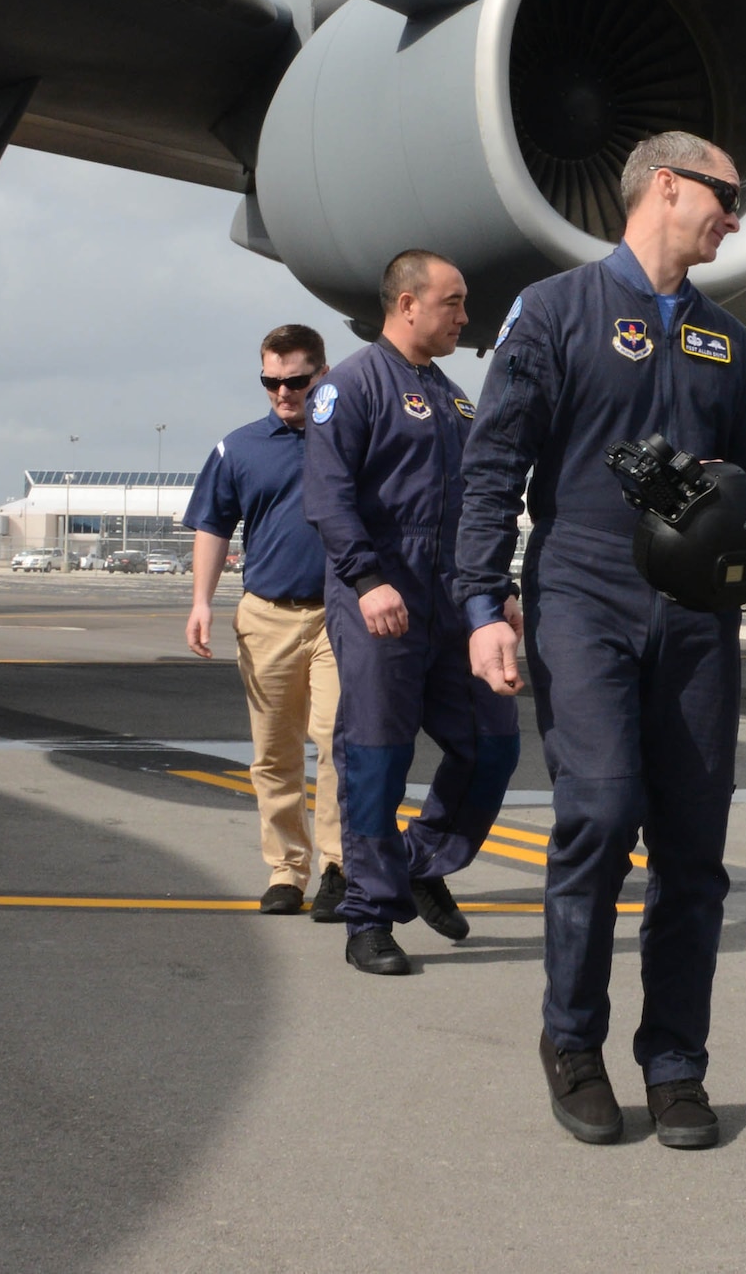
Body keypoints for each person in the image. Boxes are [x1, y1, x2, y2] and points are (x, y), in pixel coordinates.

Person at [456, 132, 746, 1151]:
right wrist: (478, 605)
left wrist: (737, 505)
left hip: (694, 613)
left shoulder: (728, 342)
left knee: (693, 848)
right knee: (596, 813)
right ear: (668, 186)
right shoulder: (553, 312)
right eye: (725, 197)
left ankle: (675, 1062)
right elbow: (492, 462)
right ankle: (571, 1041)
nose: (734, 217)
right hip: (582, 590)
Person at [303, 250, 521, 977]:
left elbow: (479, 506)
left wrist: (495, 588)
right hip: (380, 598)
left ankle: (422, 859)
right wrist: (367, 579)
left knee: (493, 741)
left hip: (453, 602)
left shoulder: (457, 400)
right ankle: (369, 916)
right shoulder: (352, 387)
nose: (464, 316)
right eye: (452, 302)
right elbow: (329, 497)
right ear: (406, 304)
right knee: (376, 757)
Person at [185, 324, 345, 920]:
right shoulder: (239, 448)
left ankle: (337, 866)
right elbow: (212, 525)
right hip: (267, 617)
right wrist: (201, 602)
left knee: (338, 742)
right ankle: (286, 868)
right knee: (274, 753)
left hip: (339, 616)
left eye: (296, 381)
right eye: (271, 382)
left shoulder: (352, 436)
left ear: (321, 374)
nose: (284, 392)